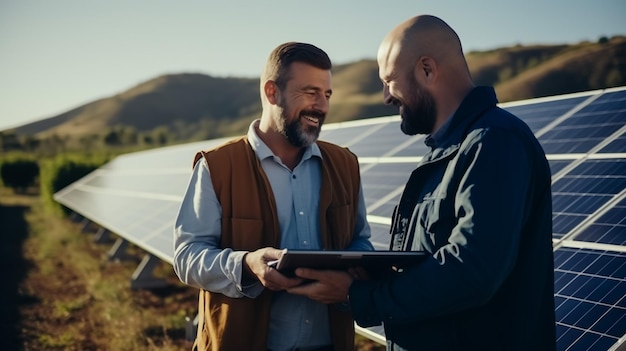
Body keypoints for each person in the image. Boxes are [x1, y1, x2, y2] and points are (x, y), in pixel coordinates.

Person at [288, 15, 556, 351]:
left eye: (389, 81)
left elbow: (471, 271)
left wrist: (358, 294)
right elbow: (433, 259)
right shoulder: (448, 152)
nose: (386, 96)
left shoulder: (495, 143)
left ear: (427, 70)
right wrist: (373, 276)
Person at [172, 41, 374, 351]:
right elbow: (187, 257)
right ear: (271, 92)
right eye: (310, 93)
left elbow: (360, 240)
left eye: (327, 94)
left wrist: (357, 268)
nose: (321, 106)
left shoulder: (345, 164)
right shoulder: (219, 166)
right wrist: (246, 264)